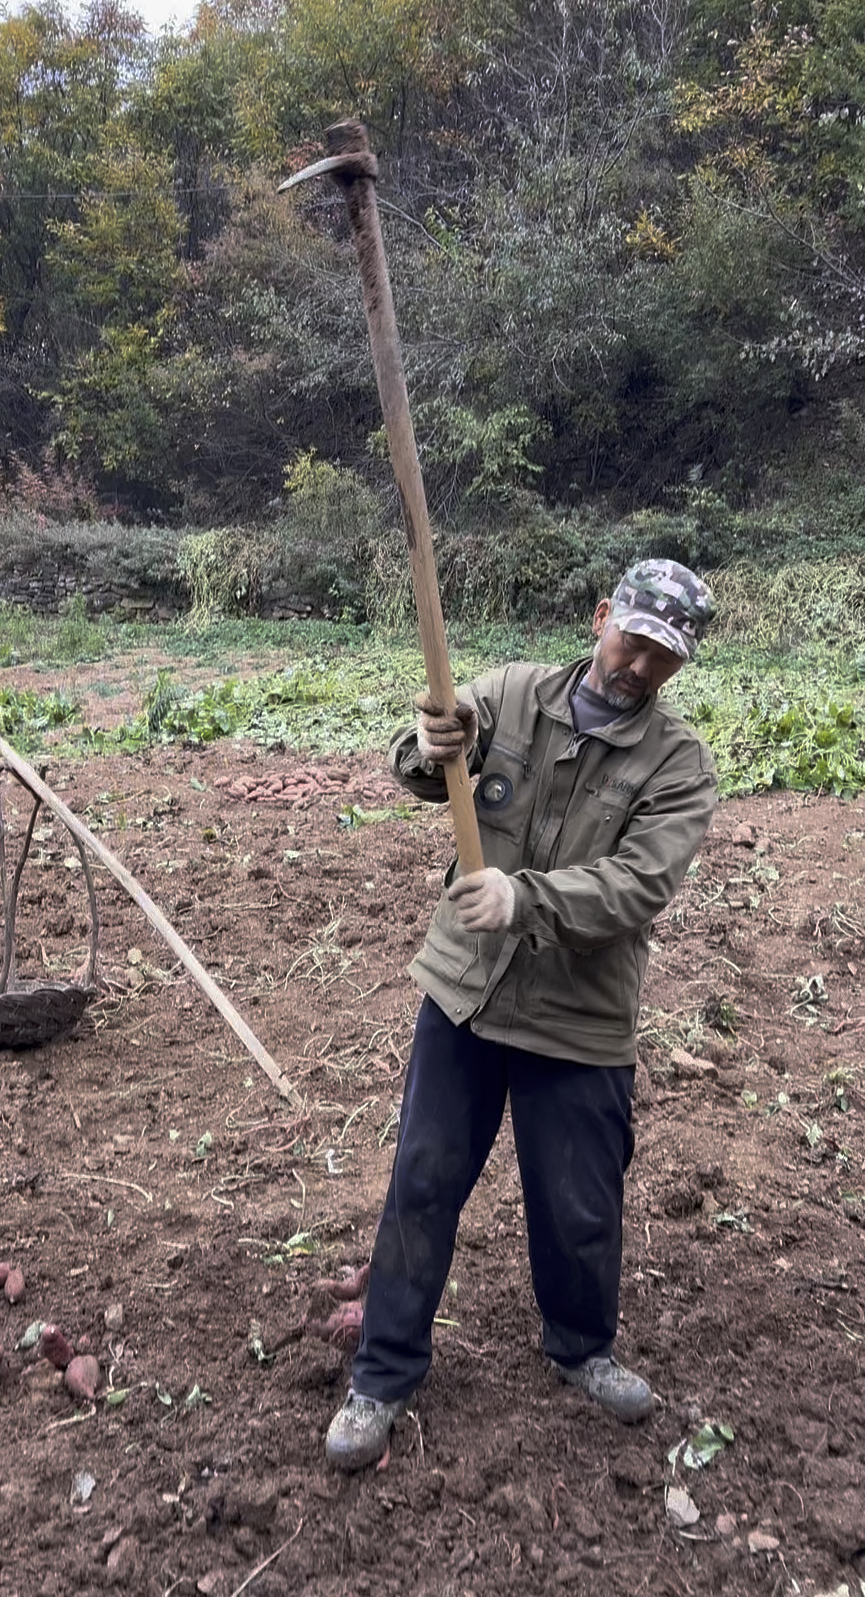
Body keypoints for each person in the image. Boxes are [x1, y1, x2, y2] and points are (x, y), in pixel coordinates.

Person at [325, 559, 718, 1472]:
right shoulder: (508, 694)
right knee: (421, 1184)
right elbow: (421, 770)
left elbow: (637, 887)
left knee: (580, 1205)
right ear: (599, 617)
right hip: (465, 994)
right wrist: (431, 744)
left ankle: (582, 1347)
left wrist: (524, 899)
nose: (639, 667)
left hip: (580, 1020)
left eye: (663, 656)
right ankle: (383, 1373)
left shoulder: (678, 763)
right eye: (632, 641)